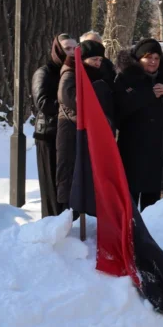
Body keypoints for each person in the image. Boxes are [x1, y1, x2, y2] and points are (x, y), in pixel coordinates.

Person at [114, 39, 163, 210]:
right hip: (134, 150)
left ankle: (151, 233)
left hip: (159, 151)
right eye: (148, 58)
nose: (153, 62)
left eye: (156, 57)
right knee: (130, 201)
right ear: (139, 59)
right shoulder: (125, 77)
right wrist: (148, 95)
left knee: (153, 206)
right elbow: (120, 108)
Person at [56, 40, 115, 215]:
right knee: (70, 175)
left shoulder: (96, 74)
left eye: (100, 60)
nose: (98, 63)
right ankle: (67, 219)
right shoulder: (70, 74)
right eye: (94, 59)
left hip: (88, 132)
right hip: (71, 131)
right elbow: (73, 100)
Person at [31, 34, 75, 217]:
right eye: (67, 48)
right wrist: (69, 107)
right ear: (57, 49)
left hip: (68, 136)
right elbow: (43, 102)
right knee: (51, 184)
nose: (72, 52)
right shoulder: (45, 72)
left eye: (74, 48)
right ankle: (50, 224)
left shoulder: (74, 71)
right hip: (49, 135)